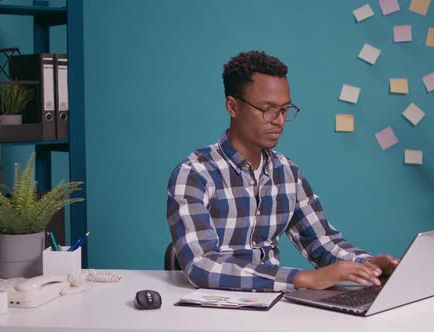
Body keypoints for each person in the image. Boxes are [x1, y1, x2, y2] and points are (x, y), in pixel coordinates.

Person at [167, 50, 398, 292]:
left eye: (285, 110)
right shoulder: (194, 174)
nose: (278, 120)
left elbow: (321, 241)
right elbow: (201, 264)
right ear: (233, 107)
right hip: (212, 309)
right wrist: (303, 279)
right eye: (267, 109)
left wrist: (366, 264)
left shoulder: (287, 172)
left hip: (271, 306)